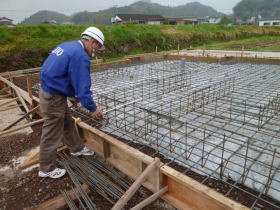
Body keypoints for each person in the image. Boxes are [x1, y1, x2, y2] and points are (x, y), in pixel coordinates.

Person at [38, 27, 105, 178]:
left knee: (67, 121)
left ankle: (76, 148)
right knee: (52, 132)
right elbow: (82, 88)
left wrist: (70, 95)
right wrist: (93, 108)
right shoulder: (80, 56)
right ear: (93, 42)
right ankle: (46, 168)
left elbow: (62, 72)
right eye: (97, 48)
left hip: (50, 91)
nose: (96, 51)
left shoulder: (67, 45)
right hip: (53, 96)